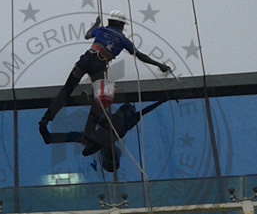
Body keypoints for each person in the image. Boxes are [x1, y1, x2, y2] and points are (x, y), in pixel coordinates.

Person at [39, 10, 169, 134]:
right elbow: (140, 55)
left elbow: (87, 35)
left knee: (67, 90)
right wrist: (159, 64)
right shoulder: (123, 40)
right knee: (100, 101)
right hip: (99, 65)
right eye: (123, 25)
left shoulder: (100, 30)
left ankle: (46, 118)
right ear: (119, 24)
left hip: (86, 60)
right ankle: (89, 131)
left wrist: (96, 24)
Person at [41, 99, 167, 174]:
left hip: (101, 137)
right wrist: (162, 100)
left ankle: (51, 138)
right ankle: (50, 138)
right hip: (100, 136)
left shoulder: (129, 119)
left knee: (77, 136)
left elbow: (146, 110)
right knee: (77, 136)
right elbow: (146, 110)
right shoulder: (121, 118)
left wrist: (162, 100)